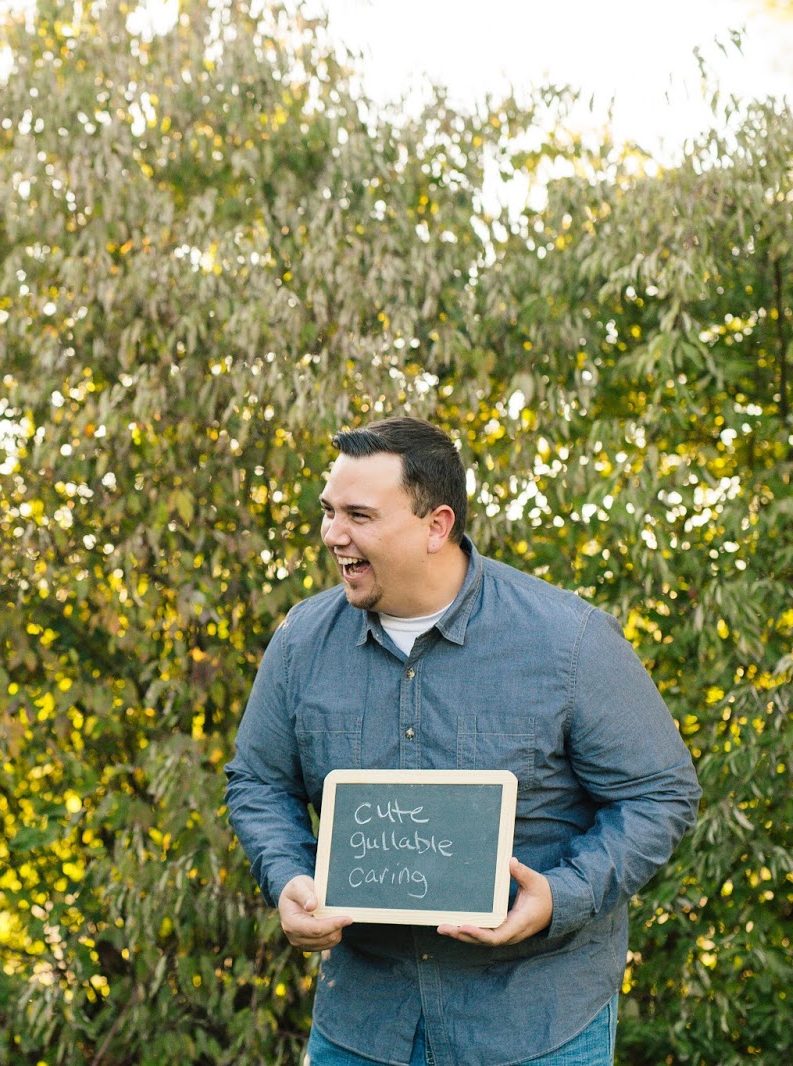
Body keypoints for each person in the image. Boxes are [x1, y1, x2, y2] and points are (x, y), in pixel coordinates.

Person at [224, 417, 700, 1066]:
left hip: (538, 1026)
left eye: (359, 516)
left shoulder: (570, 641)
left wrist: (561, 896)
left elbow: (661, 795)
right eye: (329, 511)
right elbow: (259, 784)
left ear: (436, 525)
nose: (333, 534)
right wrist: (287, 878)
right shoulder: (301, 643)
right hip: (364, 1027)